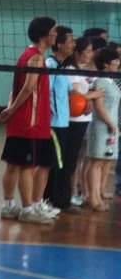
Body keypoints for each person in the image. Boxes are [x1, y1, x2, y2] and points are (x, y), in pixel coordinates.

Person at [0, 17, 58, 225]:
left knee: (13, 165)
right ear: (44, 35)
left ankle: (9, 206)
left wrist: (10, 109)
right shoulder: (36, 59)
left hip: (21, 121)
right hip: (30, 122)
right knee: (27, 166)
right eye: (53, 31)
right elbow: (28, 88)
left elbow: (15, 88)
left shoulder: (26, 55)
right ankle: (27, 210)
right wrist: (12, 110)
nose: (56, 35)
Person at [66, 36, 103, 210]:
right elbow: (74, 95)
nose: (91, 54)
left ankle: (80, 192)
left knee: (82, 159)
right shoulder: (71, 70)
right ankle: (71, 193)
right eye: (88, 51)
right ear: (78, 52)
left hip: (86, 119)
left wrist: (89, 97)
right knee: (73, 159)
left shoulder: (86, 70)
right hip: (74, 120)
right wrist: (91, 96)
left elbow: (89, 91)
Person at [83, 44, 121, 211]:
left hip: (111, 127)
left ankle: (97, 195)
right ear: (105, 64)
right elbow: (99, 108)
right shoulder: (100, 82)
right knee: (96, 162)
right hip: (101, 126)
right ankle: (93, 198)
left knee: (104, 161)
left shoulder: (111, 81)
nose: (117, 64)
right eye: (115, 62)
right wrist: (112, 124)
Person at [45, 25, 76, 211]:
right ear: (59, 44)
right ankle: (51, 200)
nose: (74, 44)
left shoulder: (64, 67)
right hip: (53, 124)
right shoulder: (50, 65)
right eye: (70, 41)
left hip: (65, 123)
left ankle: (59, 200)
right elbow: (44, 93)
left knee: (62, 162)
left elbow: (69, 92)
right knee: (55, 163)